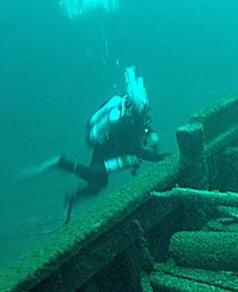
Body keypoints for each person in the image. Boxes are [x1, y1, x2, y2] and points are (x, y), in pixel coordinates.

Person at [52, 66, 166, 220]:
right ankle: (62, 163)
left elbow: (147, 141)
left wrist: (156, 151)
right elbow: (140, 151)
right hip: (104, 153)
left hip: (110, 154)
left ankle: (70, 198)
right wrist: (161, 158)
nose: (146, 115)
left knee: (98, 185)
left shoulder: (137, 122)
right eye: (145, 111)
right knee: (96, 176)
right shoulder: (129, 124)